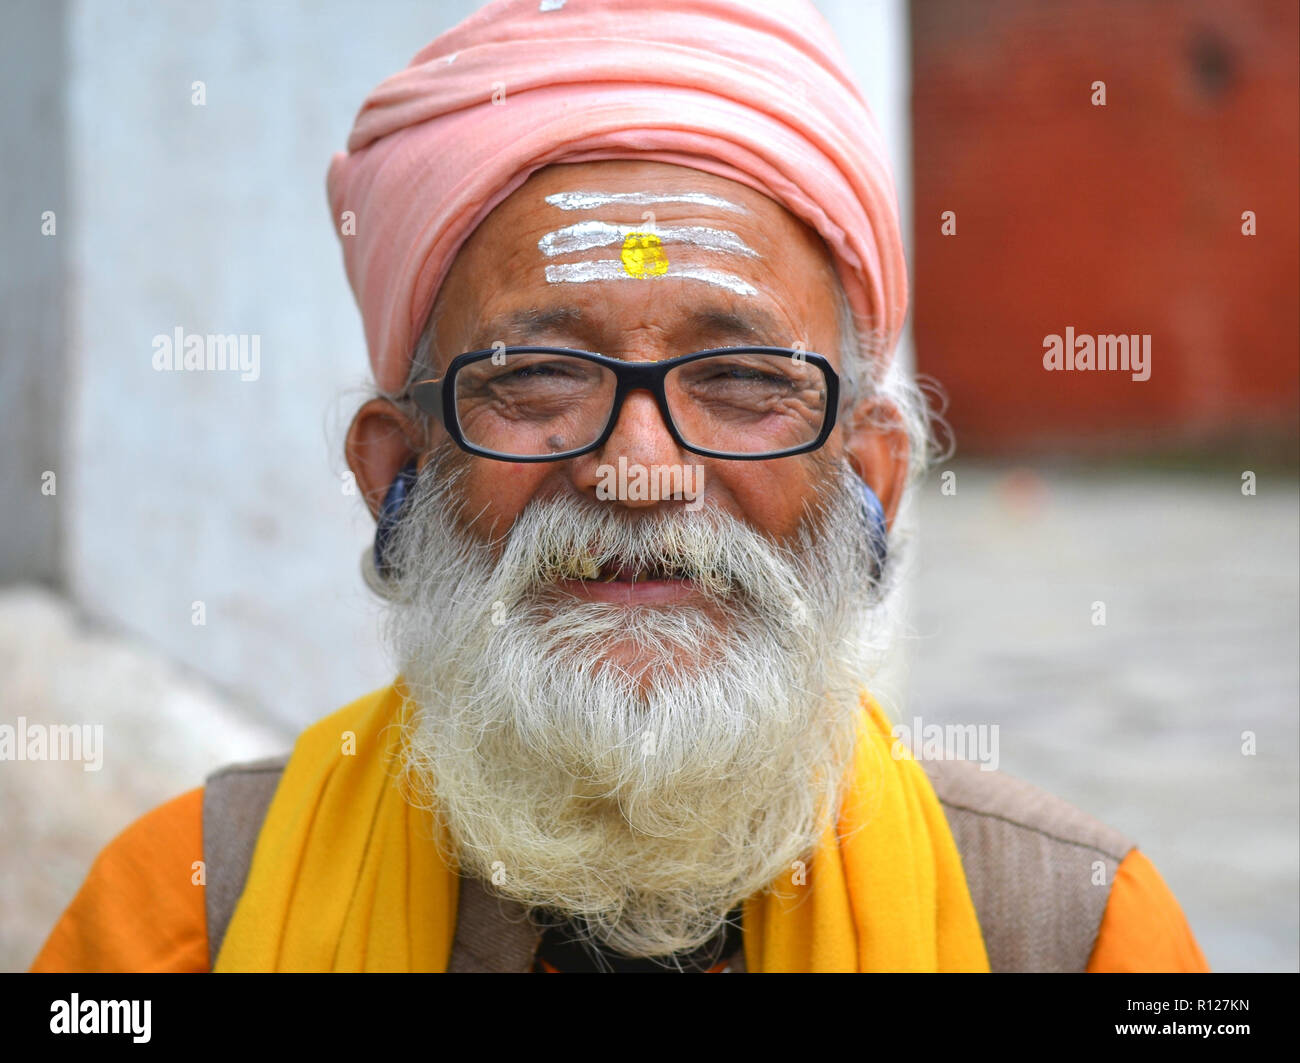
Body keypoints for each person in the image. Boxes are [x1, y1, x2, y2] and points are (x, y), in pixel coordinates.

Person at [31, 0, 1208, 974]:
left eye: (742, 381)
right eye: (537, 378)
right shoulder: (176, 919)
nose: (641, 471)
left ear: (870, 476)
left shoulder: (1071, 934)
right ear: (396, 471)